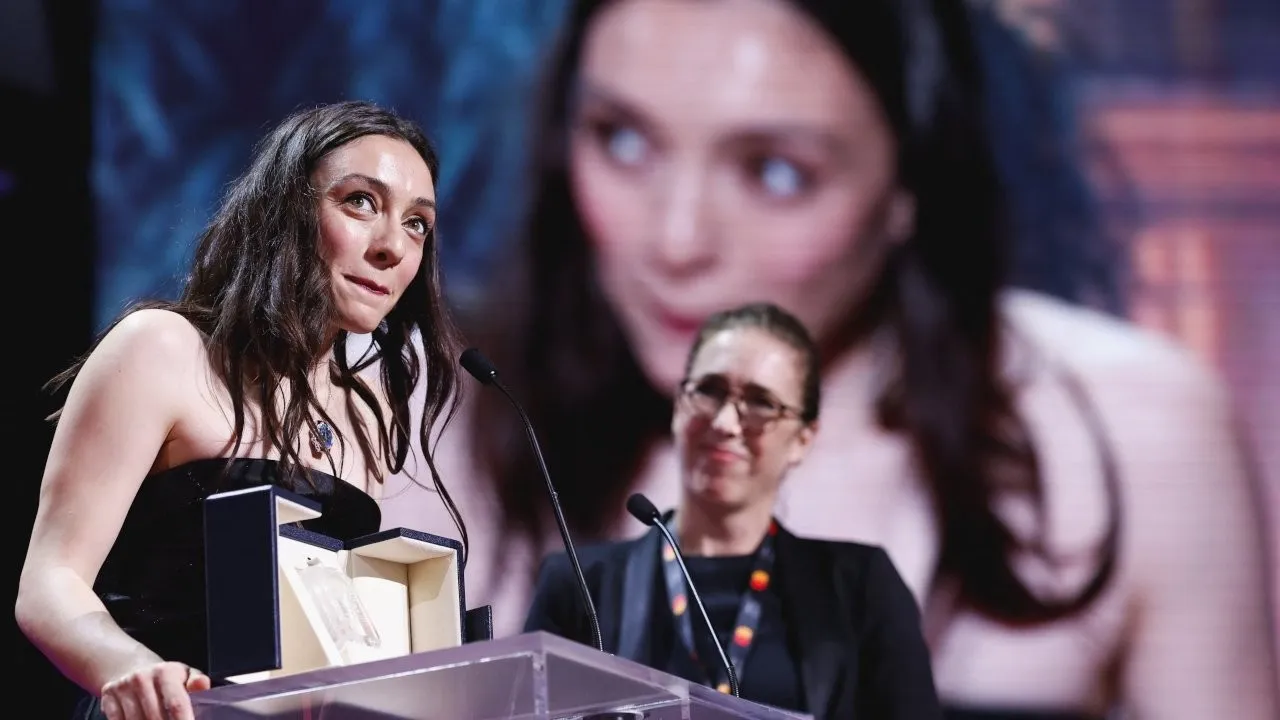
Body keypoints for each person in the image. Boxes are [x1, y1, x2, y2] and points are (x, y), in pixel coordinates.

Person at [382, 0, 1278, 717]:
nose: (675, 238)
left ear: (909, 189)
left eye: (774, 171)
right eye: (624, 139)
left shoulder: (1133, 433)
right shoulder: (446, 421)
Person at [15, 100, 468, 720]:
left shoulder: (365, 419)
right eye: (361, 201)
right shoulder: (161, 350)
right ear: (288, 208)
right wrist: (128, 668)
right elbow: (49, 583)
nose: (393, 246)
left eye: (417, 223)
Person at [525, 303, 942, 719]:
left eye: (761, 402)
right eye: (709, 391)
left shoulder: (861, 587)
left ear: (802, 439)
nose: (725, 422)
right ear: (678, 405)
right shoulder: (580, 585)